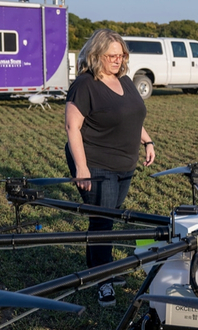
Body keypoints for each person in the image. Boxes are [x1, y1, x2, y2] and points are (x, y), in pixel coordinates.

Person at [64, 29, 155, 307]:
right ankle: (103, 280)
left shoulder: (124, 81)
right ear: (96, 54)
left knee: (108, 219)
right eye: (111, 56)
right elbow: (72, 126)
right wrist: (81, 167)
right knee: (103, 221)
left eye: (121, 55)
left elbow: (133, 117)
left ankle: (99, 269)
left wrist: (147, 140)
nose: (117, 60)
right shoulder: (85, 84)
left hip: (124, 163)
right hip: (96, 164)